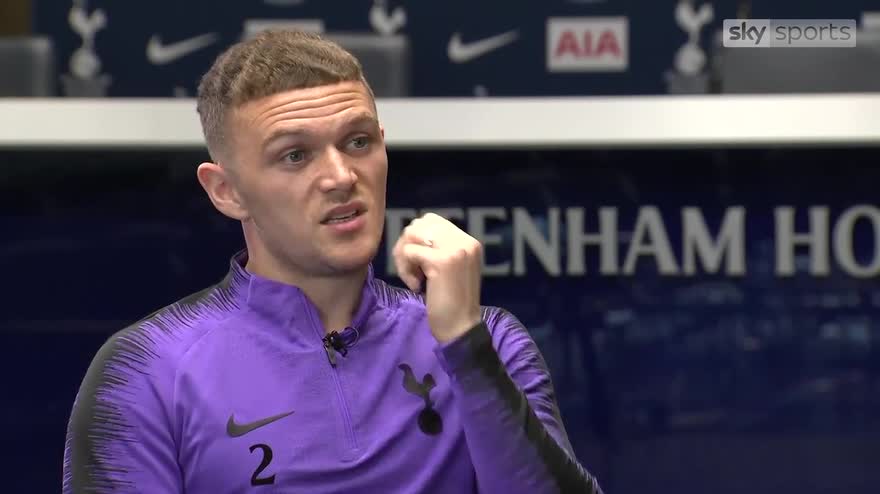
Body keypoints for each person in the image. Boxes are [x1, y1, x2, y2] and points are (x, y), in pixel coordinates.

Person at [62, 30, 603, 494]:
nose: (342, 176)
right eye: (295, 155)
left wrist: (465, 345)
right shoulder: (147, 371)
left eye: (358, 142)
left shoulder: (490, 341)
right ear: (226, 191)